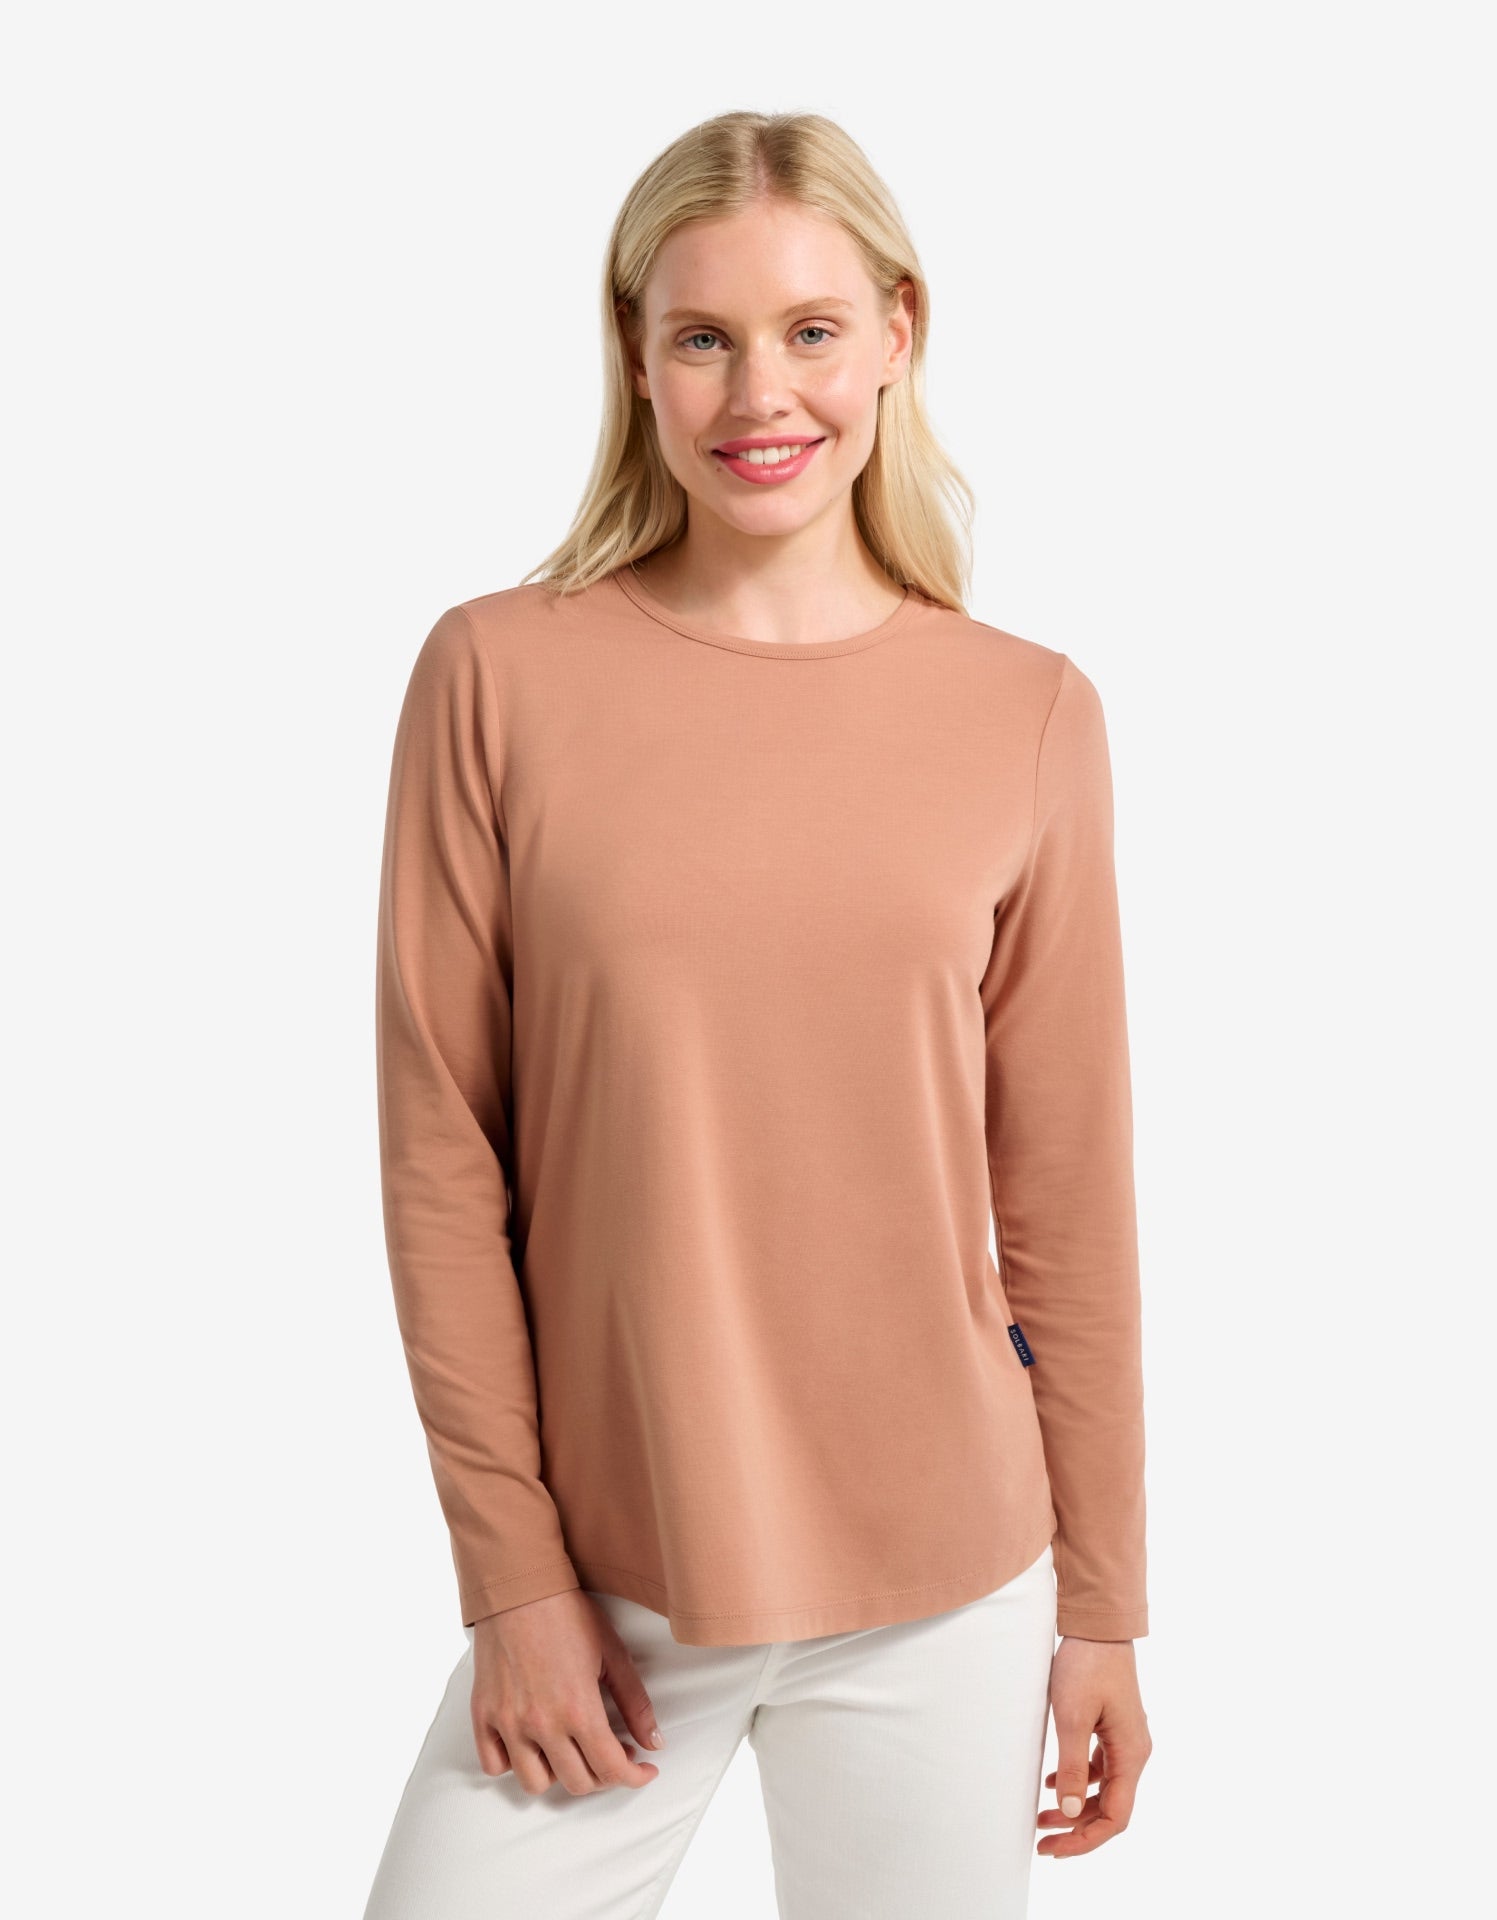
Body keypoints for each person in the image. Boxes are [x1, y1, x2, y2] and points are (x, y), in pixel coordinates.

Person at [362, 108, 1152, 1920]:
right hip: (613, 1573)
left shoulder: (1024, 712)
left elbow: (1066, 1197)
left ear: (897, 334)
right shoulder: (496, 675)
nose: (759, 393)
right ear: (634, 357)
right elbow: (440, 1161)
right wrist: (513, 1581)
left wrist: (1102, 1603)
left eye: (809, 329)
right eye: (703, 337)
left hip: (948, 1580)